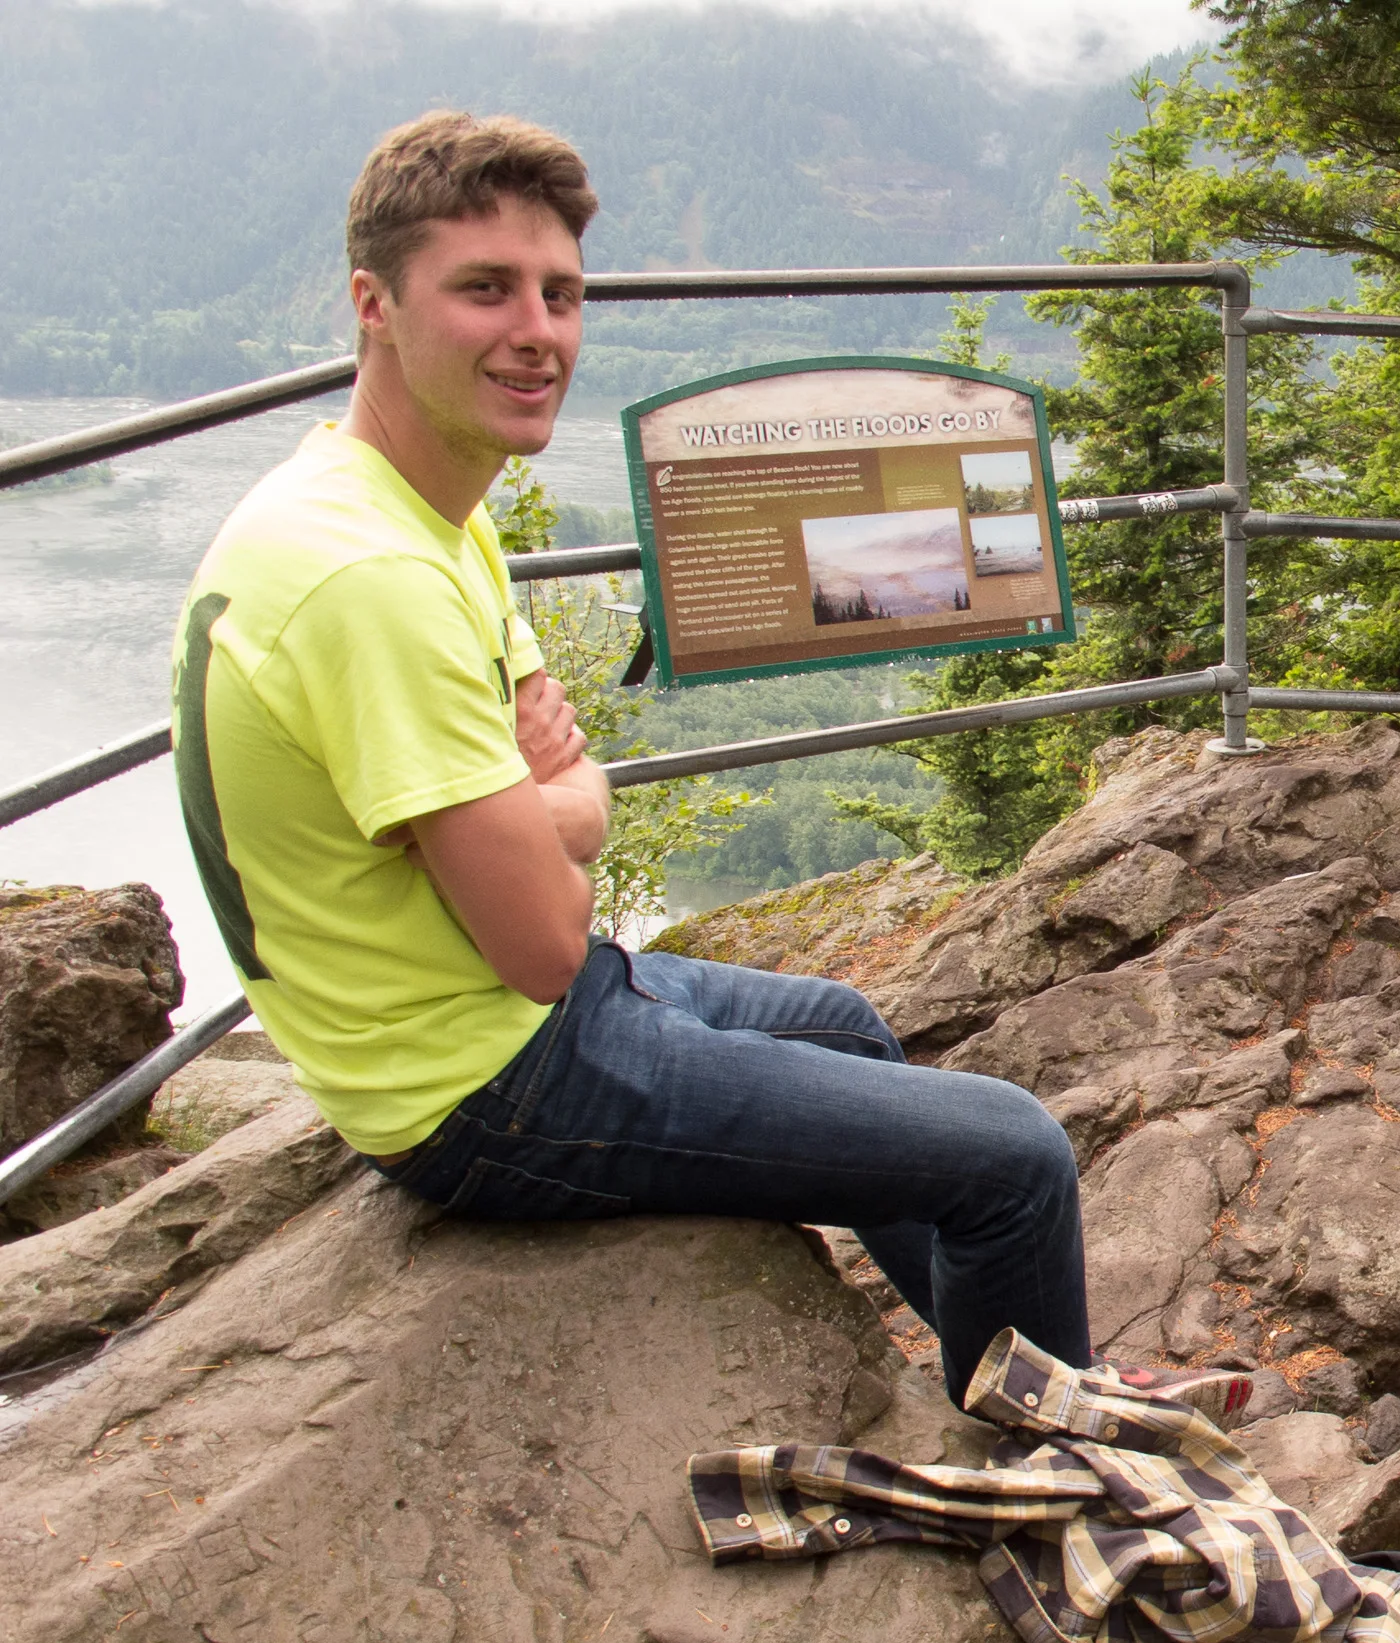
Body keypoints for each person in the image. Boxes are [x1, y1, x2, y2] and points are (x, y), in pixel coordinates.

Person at [168, 112, 1228, 1416]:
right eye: (485, 289)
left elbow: (565, 783)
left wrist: (552, 797)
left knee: (847, 1024)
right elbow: (549, 935)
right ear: (374, 305)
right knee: (1015, 1155)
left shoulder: (418, 509)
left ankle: (1015, 1385)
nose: (538, 330)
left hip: (482, 1020)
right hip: (483, 1085)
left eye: (559, 294)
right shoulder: (368, 577)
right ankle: (1075, 1491)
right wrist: (561, 799)